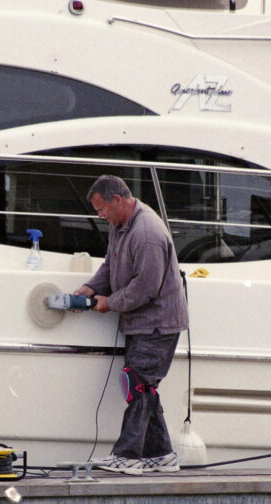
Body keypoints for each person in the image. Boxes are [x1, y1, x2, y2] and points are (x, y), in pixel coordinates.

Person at [74, 175, 189, 475]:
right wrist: (90, 288)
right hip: (143, 324)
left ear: (118, 200)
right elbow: (110, 266)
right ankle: (161, 456)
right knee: (144, 388)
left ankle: (127, 456)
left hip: (158, 325)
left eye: (101, 209)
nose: (99, 216)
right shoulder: (120, 226)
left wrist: (108, 303)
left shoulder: (147, 232)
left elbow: (146, 287)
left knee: (136, 385)